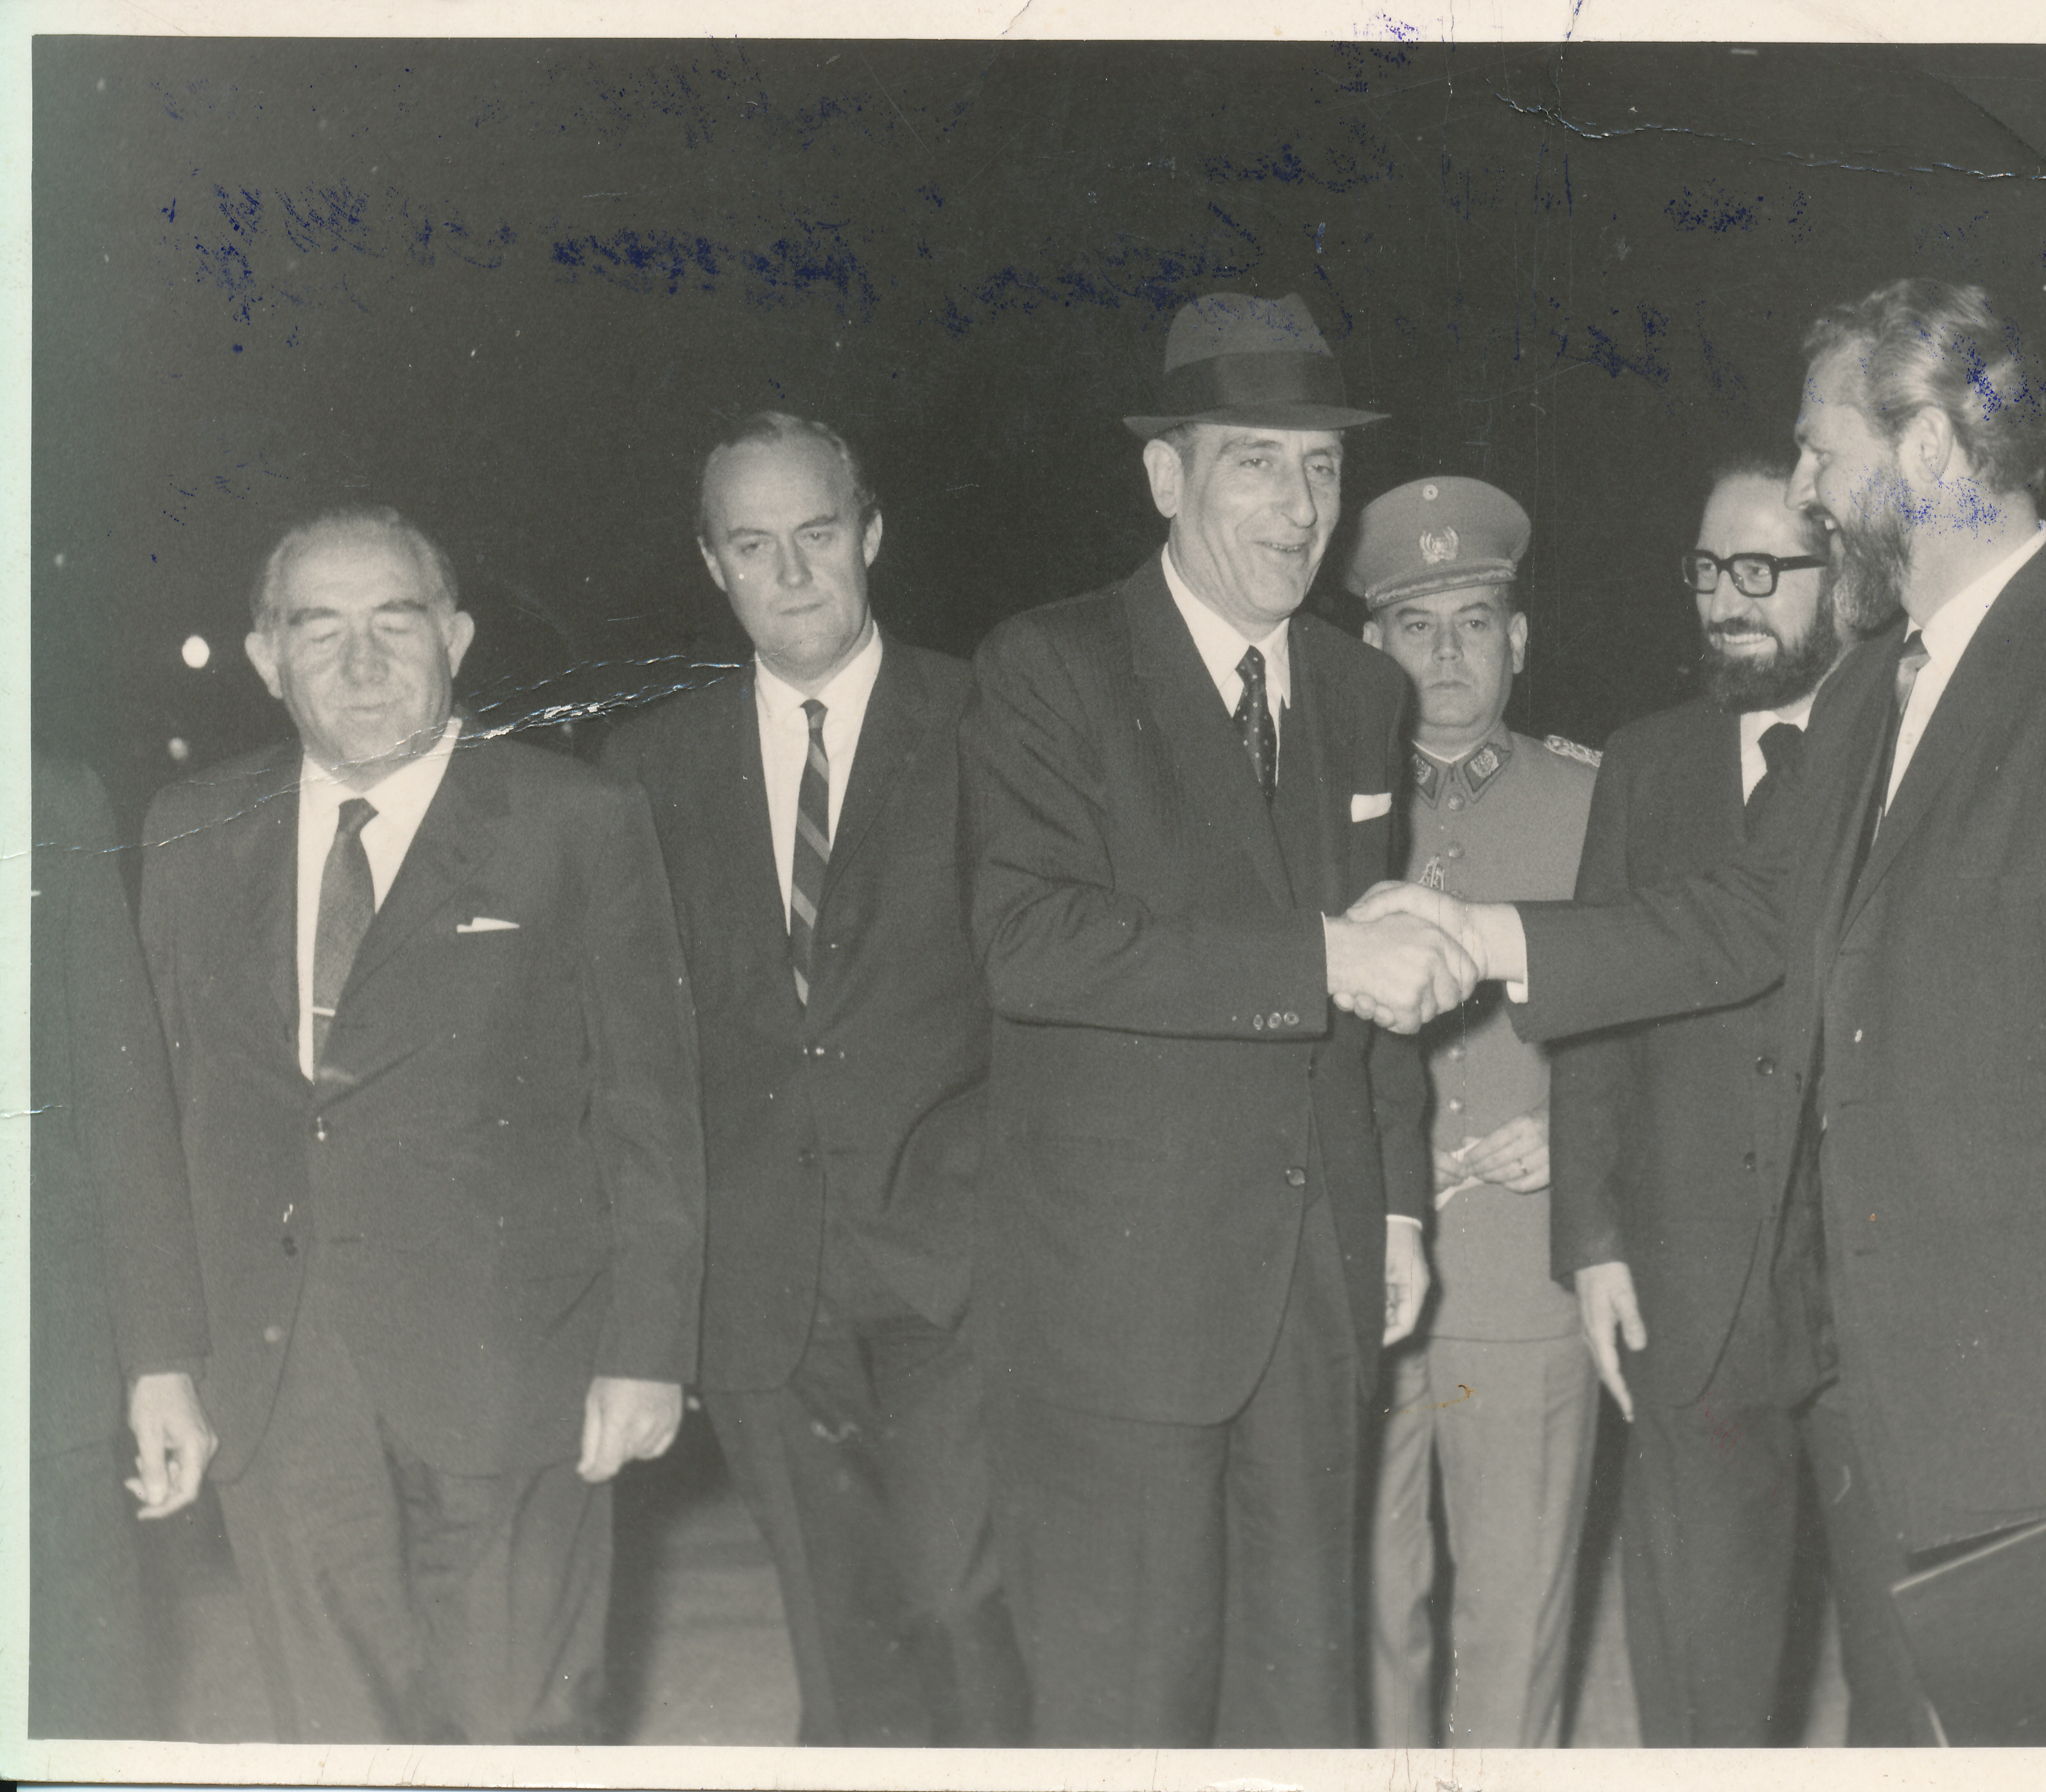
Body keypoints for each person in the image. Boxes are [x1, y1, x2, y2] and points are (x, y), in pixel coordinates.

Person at [1349, 278, 2046, 1743]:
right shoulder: (1875, 693)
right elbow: (1745, 917)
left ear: (1925, 453)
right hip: (1883, 1384)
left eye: (1820, 449)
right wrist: (1480, 934)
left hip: (2037, 1403)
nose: (1804, 489)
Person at [958, 291, 1467, 1746]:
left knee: (1301, 1706)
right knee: (1130, 1710)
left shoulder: (1362, 690)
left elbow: (1377, 989)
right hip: (1121, 1306)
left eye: (1322, 467)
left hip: (1314, 1286)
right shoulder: (1050, 666)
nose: (1300, 509)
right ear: (1164, 476)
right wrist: (1318, 958)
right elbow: (1032, 943)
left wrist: (1397, 1206)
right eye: (1257, 462)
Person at [135, 504, 704, 1743]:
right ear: (265, 658)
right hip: (281, 1375)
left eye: (395, 622)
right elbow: (162, 1120)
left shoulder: (573, 819)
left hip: (514, 1360)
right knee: (333, 1736)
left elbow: (650, 1106)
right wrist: (158, 1359)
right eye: (319, 629)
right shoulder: (191, 831)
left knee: (524, 1730)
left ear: (456, 637)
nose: (362, 662)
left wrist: (647, 1349)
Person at [602, 413, 1027, 1745]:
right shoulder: (648, 767)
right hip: (762, 1288)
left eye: (818, 533)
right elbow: (638, 1050)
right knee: (842, 1650)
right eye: (753, 545)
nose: (790, 573)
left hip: (958, 1266)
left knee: (968, 1606)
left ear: (872, 534)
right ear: (712, 564)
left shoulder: (988, 721)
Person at [1548, 460, 1860, 1746]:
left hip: (1882, 1286)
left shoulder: (1905, 741)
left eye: (1764, 571)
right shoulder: (1645, 763)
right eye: (1709, 570)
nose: (1728, 601)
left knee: (1914, 1662)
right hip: (1689, 1282)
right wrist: (1592, 1240)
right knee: (1702, 1681)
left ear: (1846, 580)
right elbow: (1593, 1021)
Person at [1347, 476, 1602, 1748]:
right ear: (1370, 648)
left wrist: (1577, 1134)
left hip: (1520, 1271)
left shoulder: (1599, 805)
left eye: (1473, 621)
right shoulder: (1321, 811)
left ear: (1519, 639)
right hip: (1355, 1271)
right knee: (1361, 1619)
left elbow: (1662, 1016)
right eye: (1415, 624)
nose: (1446, 652)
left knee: (1514, 1619)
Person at [28, 755, 213, 1738]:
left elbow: (121, 1101)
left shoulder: (48, 799)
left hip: (39, 1391)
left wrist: (159, 1361)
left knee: (76, 1718)